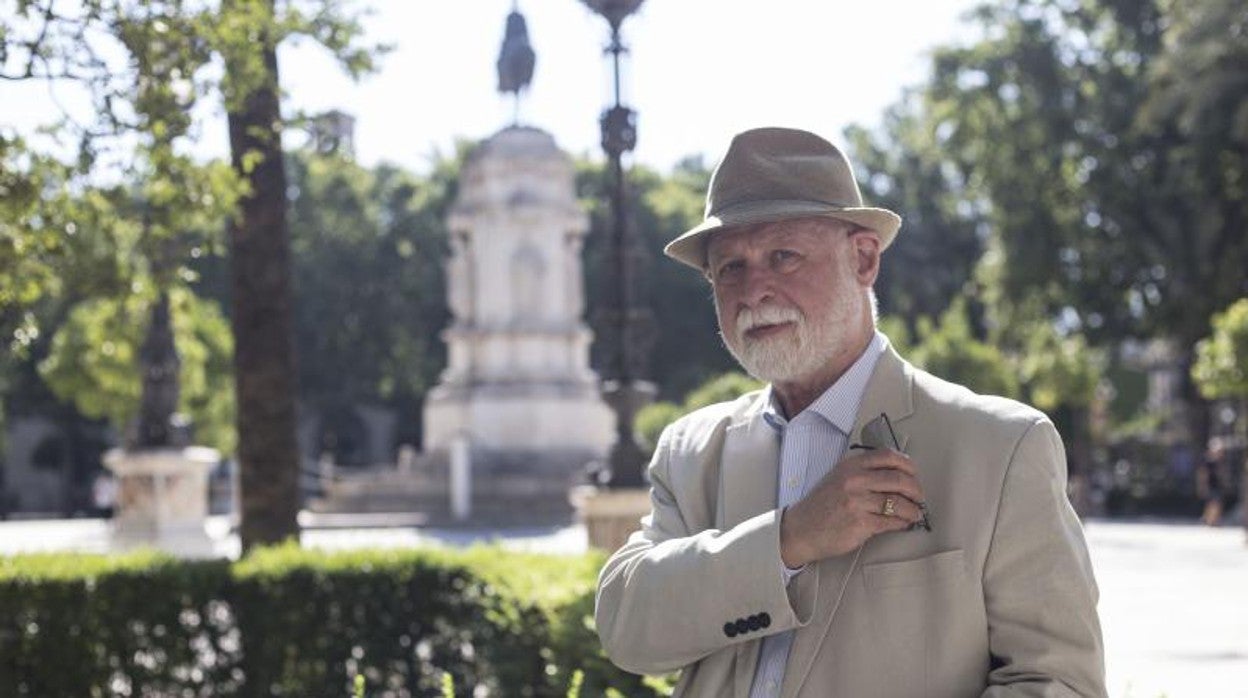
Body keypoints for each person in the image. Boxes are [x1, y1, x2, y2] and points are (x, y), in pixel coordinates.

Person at [594, 127, 1106, 697]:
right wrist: (789, 540)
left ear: (864, 258)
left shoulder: (1002, 446)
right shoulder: (692, 450)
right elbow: (626, 629)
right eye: (730, 269)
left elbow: (1060, 684)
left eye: (782, 256)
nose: (754, 290)